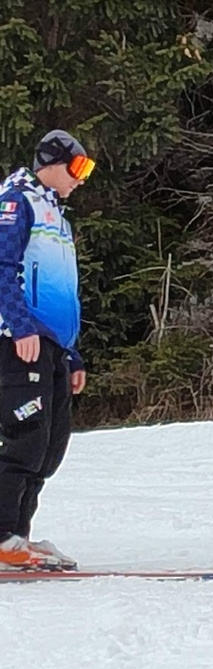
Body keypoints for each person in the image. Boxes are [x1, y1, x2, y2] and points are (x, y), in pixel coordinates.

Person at [0, 130, 94, 570]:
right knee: (26, 440)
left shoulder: (57, 214)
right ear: (52, 162)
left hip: (53, 347)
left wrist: (71, 353)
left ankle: (19, 535)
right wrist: (19, 326)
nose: (81, 179)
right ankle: (3, 537)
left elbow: (62, 291)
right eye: (78, 168)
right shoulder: (18, 200)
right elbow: (2, 266)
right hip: (20, 341)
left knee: (50, 448)